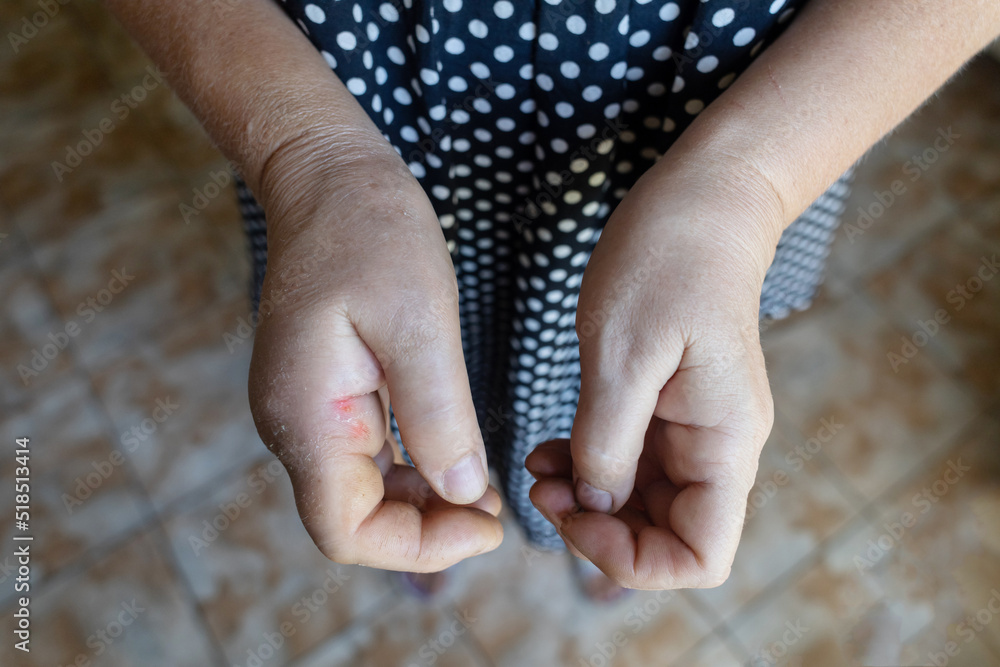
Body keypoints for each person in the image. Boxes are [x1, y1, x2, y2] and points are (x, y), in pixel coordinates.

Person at [105, 0, 1000, 597]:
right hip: (338, 94)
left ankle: (581, 516)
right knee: (395, 358)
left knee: (656, 374)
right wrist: (312, 163)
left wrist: (745, 188)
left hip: (761, 103)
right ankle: (447, 498)